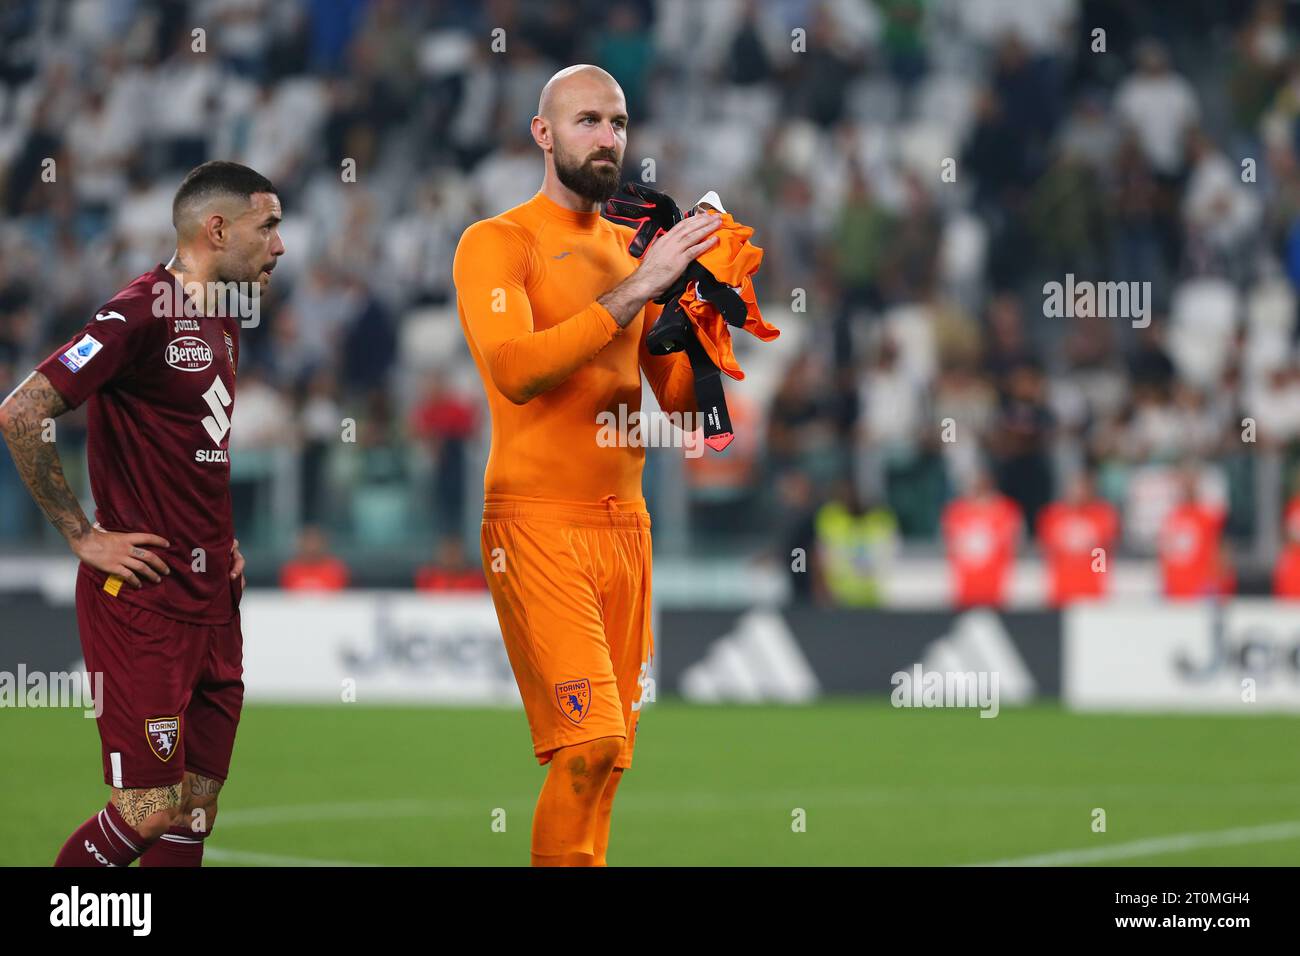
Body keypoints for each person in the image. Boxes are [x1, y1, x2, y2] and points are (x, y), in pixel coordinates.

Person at [452, 63, 722, 866]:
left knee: (606, 765)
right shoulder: (498, 242)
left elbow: (686, 413)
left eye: (618, 122)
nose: (608, 138)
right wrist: (643, 287)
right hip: (535, 520)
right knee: (587, 742)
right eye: (587, 121)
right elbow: (516, 370)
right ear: (543, 133)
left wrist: (694, 314)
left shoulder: (635, 255)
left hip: (624, 528)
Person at [0, 160, 283, 866]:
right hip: (145, 602)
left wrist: (223, 542)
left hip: (214, 594)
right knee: (148, 813)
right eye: (268, 226)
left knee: (195, 805)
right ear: (216, 229)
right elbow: (22, 409)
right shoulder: (138, 311)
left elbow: (192, 447)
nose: (280, 245)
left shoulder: (222, 315)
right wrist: (81, 534)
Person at [941, 468, 1023, 608]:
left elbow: (1016, 544)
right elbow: (948, 546)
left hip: (996, 591)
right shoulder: (956, 512)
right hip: (965, 590)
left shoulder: (1005, 511)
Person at [1037, 470, 1120, 606]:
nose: (1077, 492)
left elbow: (1103, 552)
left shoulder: (1102, 515)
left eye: (1082, 487)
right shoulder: (1053, 516)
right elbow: (1046, 549)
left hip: (1092, 592)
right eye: (1074, 487)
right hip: (1060, 592)